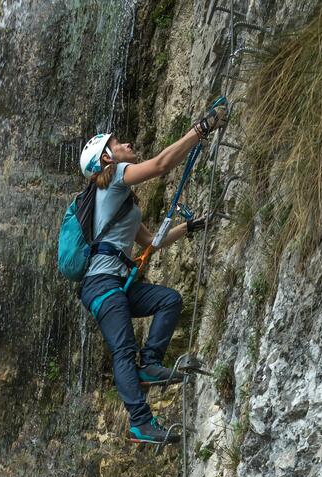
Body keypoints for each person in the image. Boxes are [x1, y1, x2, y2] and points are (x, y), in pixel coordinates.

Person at [77, 103, 228, 444]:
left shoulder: (124, 203)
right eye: (118, 144)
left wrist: (188, 228)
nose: (127, 144)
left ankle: (150, 363)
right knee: (122, 348)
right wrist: (200, 130)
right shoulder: (113, 179)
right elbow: (160, 165)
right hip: (101, 285)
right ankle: (140, 422)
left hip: (115, 284)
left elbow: (150, 242)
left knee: (168, 300)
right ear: (106, 159)